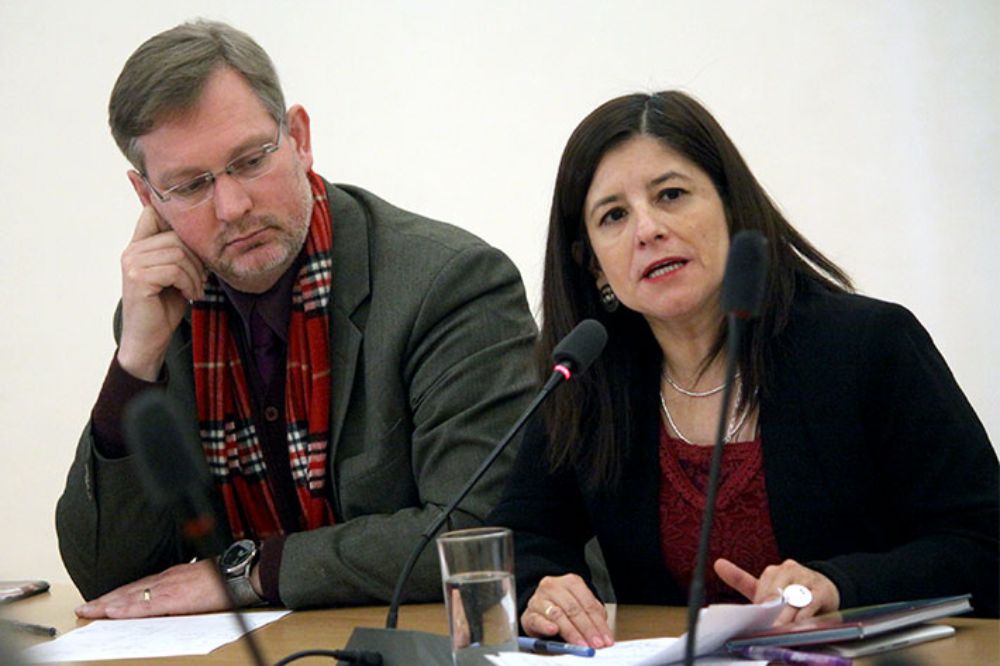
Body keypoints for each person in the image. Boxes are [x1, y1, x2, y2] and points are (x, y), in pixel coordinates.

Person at [56, 20, 538, 618]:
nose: (233, 206)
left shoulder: (449, 285)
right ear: (148, 197)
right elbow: (107, 575)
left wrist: (252, 572)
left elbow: (481, 531)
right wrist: (134, 364)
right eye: (190, 185)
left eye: (249, 160)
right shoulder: (162, 316)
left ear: (300, 139)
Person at [488, 90, 998, 649]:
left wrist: (838, 584)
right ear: (593, 264)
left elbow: (983, 543)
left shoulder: (868, 346)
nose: (647, 229)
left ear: (731, 206)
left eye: (671, 195)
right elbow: (522, 538)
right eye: (614, 215)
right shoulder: (591, 376)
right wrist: (545, 589)